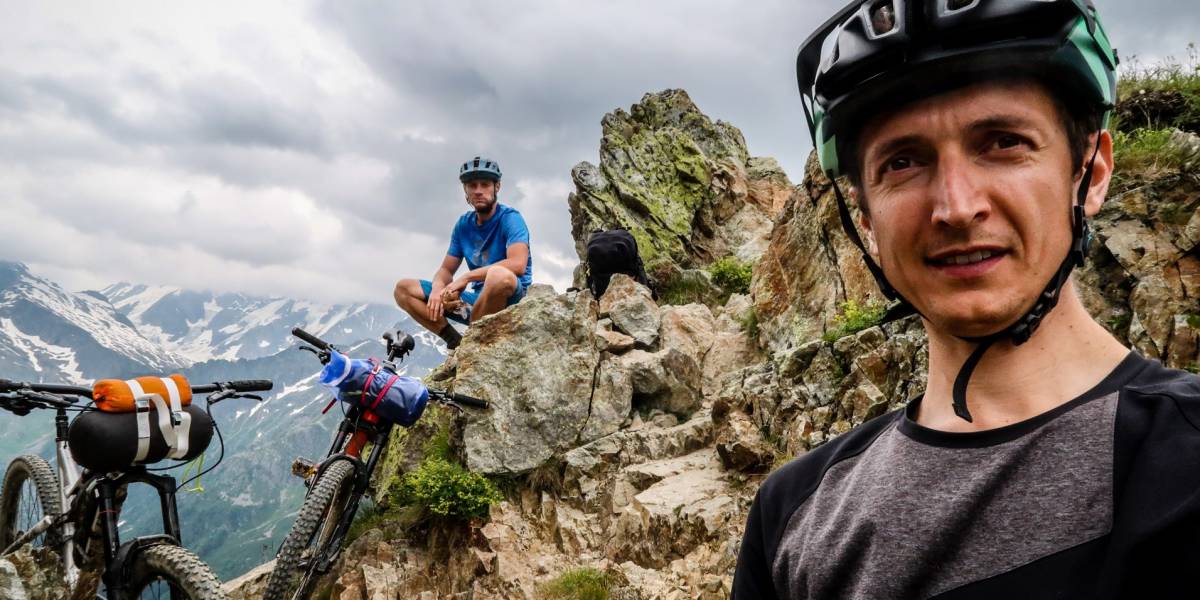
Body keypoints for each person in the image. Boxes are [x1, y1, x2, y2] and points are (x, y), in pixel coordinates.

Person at [734, 1, 1200, 598]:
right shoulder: (791, 512)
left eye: (1003, 142)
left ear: (1091, 173)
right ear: (866, 222)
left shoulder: (1187, 454)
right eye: (903, 162)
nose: (956, 207)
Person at [393, 156, 533, 349]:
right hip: (477, 303)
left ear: (497, 187)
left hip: (511, 300)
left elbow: (518, 264)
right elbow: (446, 270)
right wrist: (438, 289)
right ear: (465, 190)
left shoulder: (510, 219)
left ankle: (475, 342)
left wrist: (467, 277)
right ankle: (457, 342)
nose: (478, 191)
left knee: (498, 276)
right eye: (472, 186)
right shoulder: (463, 225)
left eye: (485, 185)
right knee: (404, 288)